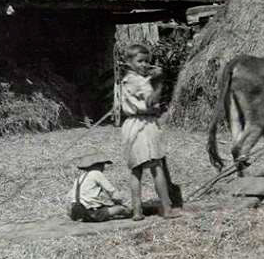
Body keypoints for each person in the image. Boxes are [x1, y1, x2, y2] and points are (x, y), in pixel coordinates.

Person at [120, 44, 180, 220]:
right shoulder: (139, 81)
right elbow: (150, 102)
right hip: (144, 125)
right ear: (129, 62)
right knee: (156, 167)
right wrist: (160, 82)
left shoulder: (127, 79)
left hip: (130, 125)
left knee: (135, 169)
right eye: (140, 61)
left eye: (147, 61)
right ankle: (166, 208)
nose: (144, 64)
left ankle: (137, 210)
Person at [67, 152, 131, 222]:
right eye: (103, 164)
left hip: (75, 212)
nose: (103, 167)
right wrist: (120, 203)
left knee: (106, 208)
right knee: (121, 209)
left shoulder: (79, 178)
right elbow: (112, 192)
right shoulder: (96, 173)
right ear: (98, 165)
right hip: (91, 213)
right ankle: (134, 213)